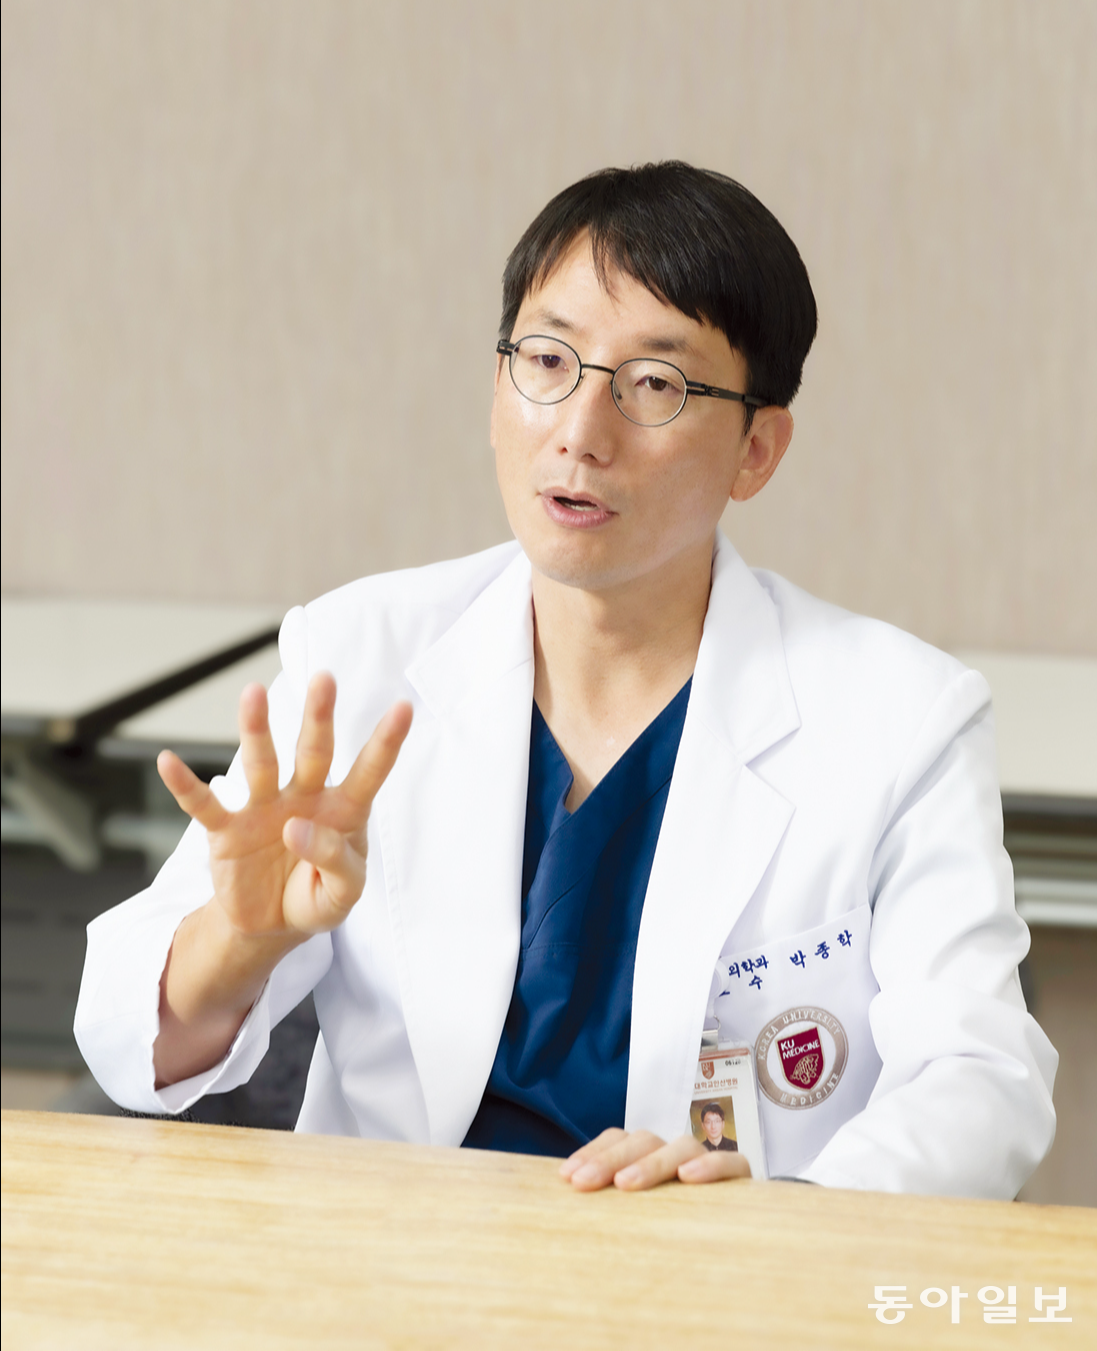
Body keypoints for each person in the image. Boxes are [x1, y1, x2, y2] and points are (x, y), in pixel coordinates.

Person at [75, 162, 1056, 1198]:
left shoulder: (898, 718)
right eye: (547, 360)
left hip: (713, 1274)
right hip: (396, 1259)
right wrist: (242, 937)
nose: (580, 433)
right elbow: (128, 1039)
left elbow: (979, 1074)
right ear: (497, 388)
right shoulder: (357, 656)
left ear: (755, 450)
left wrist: (776, 1222)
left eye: (655, 384)